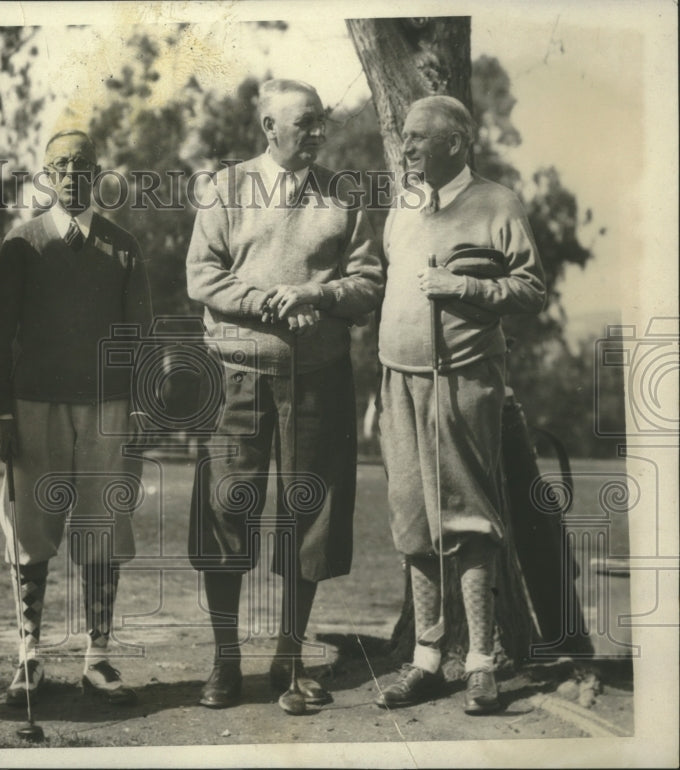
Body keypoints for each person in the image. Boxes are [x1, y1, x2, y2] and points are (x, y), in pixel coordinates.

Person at [185, 79, 384, 712]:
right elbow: (202, 274)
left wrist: (316, 297)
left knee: (310, 514)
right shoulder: (224, 188)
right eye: (307, 123)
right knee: (226, 506)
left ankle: (291, 657)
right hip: (236, 372)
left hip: (319, 376)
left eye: (323, 122)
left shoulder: (343, 197)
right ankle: (224, 660)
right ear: (270, 128)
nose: (320, 133)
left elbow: (368, 280)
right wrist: (269, 304)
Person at [374, 95, 546, 714]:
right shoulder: (404, 206)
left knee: (469, 518)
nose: (408, 146)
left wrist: (464, 286)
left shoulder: (498, 202)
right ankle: (426, 658)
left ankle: (480, 661)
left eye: (420, 137)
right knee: (412, 521)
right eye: (407, 137)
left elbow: (530, 288)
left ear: (457, 141)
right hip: (398, 383)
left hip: (466, 380)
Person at [0, 129, 153, 708]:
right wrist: (1, 408)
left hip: (107, 409)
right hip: (34, 405)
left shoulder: (123, 246)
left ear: (98, 171)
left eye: (82, 163)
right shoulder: (22, 244)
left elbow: (140, 336)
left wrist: (140, 408)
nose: (71, 173)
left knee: (102, 530)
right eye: (60, 164)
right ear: (45, 174)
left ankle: (98, 655)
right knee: (31, 531)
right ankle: (29, 654)